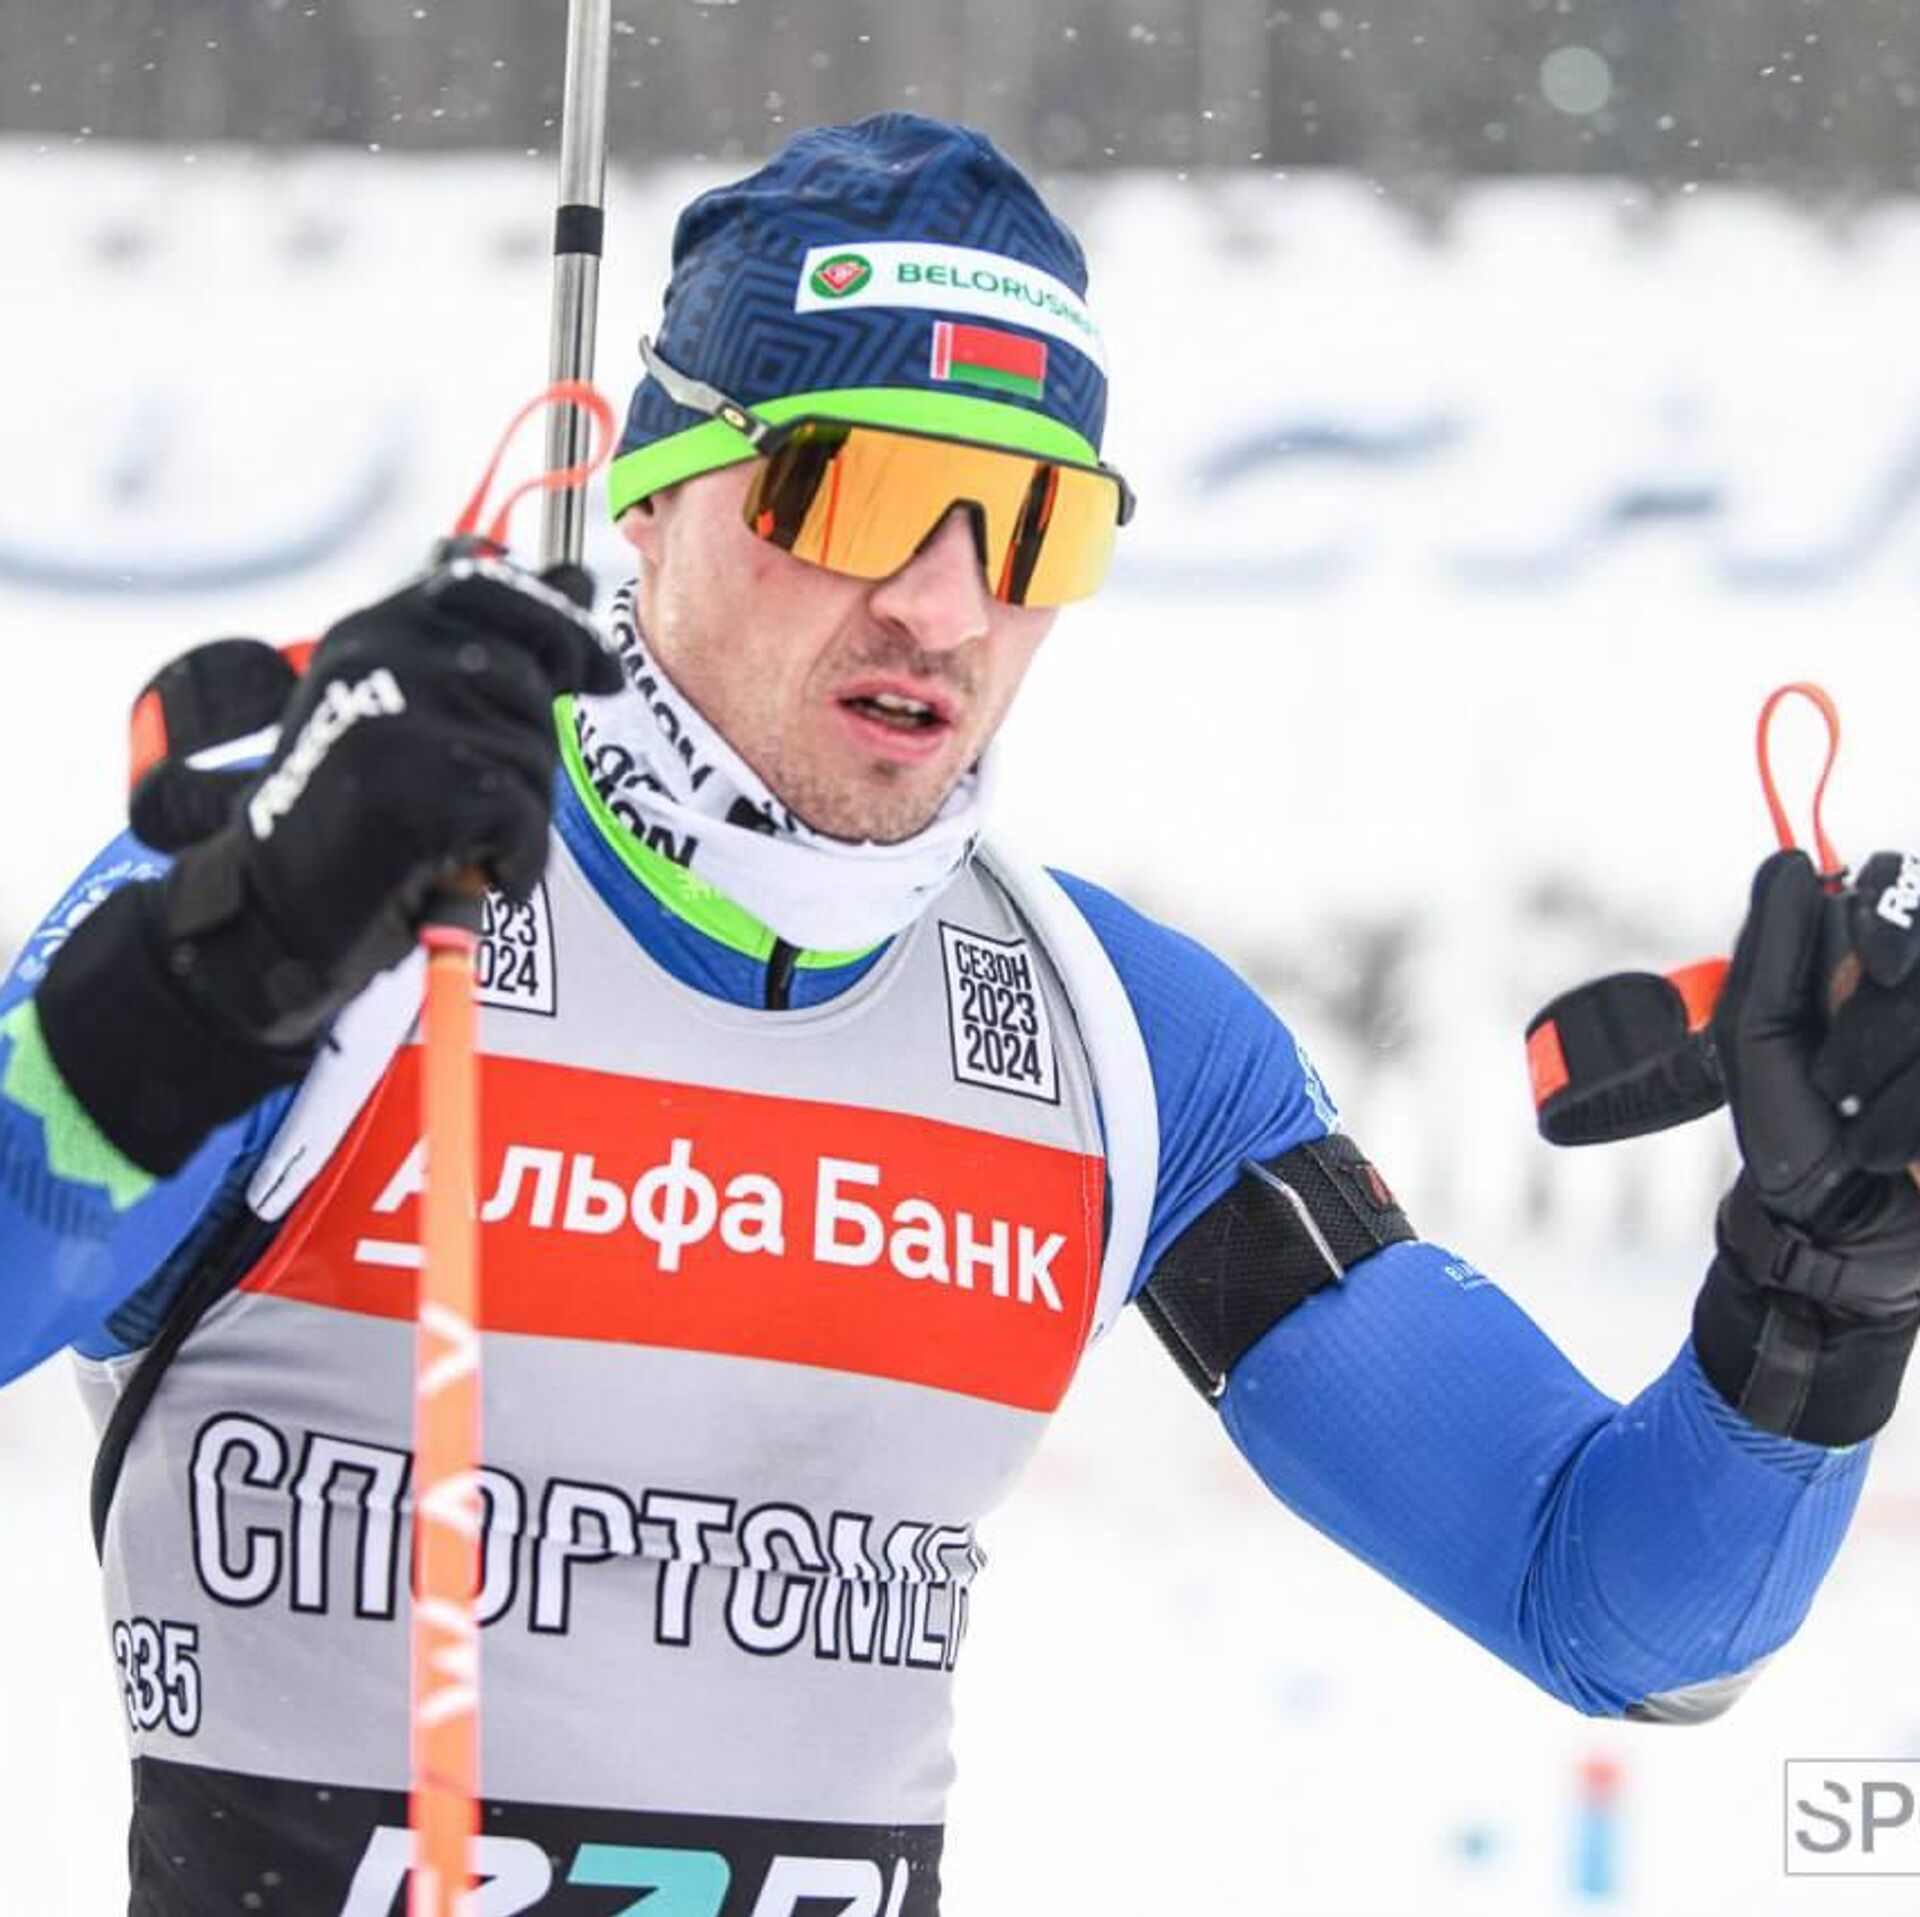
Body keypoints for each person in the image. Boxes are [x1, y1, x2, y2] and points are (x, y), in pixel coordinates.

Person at [4, 113, 1919, 1916]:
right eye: (857, 490)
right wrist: (203, 976)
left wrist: (1822, 1291)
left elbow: (1613, 1610)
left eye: (1030, 526)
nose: (944, 605)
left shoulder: (1122, 1040)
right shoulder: (344, 890)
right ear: (645, 497)